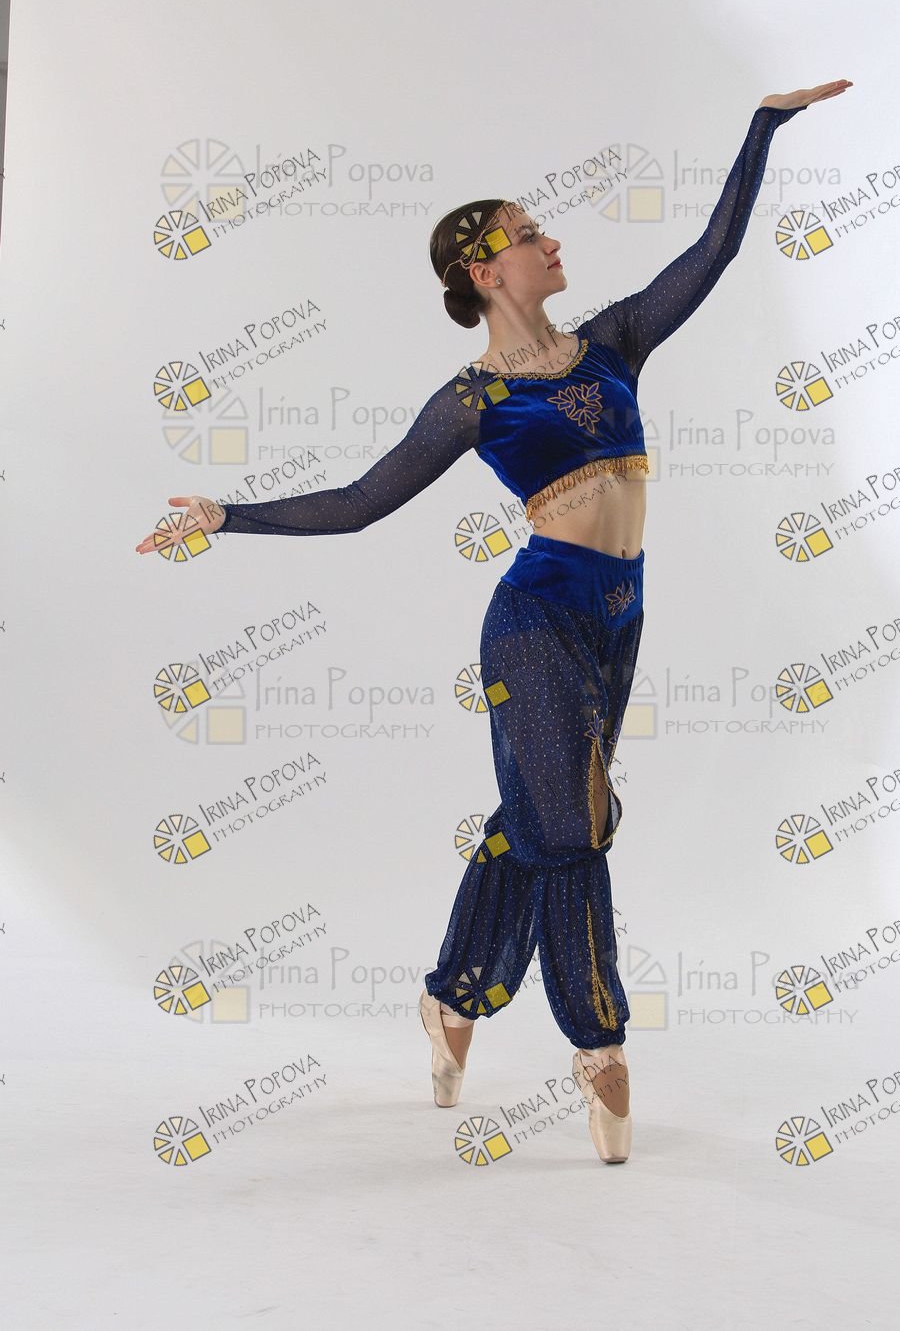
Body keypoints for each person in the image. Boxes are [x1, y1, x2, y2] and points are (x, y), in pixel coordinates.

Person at [135, 80, 853, 1163]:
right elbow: (360, 502)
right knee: (574, 831)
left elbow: (714, 251)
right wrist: (225, 515)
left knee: (545, 814)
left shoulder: (614, 341)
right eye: (529, 235)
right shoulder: (472, 402)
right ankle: (598, 1044)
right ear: (484, 271)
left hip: (619, 617)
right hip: (535, 621)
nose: (552, 242)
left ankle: (453, 995)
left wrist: (762, 128)